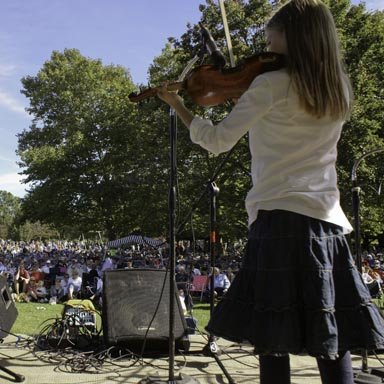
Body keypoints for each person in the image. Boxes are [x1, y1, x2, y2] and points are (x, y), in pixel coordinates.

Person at [156, 1, 384, 383]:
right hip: (327, 224)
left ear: (290, 35)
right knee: (332, 336)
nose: (267, 47)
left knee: (272, 340)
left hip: (278, 218)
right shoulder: (338, 87)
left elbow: (216, 140)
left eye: (271, 37)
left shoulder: (270, 84)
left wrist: (177, 103)